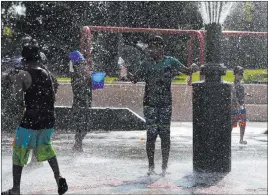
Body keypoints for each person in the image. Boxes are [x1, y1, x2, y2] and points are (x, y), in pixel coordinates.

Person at [128, 35, 199, 177]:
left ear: (161, 47)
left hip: (165, 104)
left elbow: (186, 71)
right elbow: (135, 79)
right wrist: (128, 74)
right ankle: (151, 166)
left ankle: (165, 167)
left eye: (153, 46)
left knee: (165, 135)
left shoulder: (170, 61)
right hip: (149, 105)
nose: (150, 49)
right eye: (149, 47)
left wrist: (193, 67)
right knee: (151, 135)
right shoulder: (146, 63)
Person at [1, 44, 68, 195]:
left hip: (31, 120)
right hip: (49, 119)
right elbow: (52, 96)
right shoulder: (47, 73)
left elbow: (18, 101)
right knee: (46, 146)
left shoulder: (23, 75)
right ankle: (59, 177)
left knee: (19, 149)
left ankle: (16, 189)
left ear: (24, 59)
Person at [69, 50, 92, 152]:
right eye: (82, 64)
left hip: (86, 104)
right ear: (76, 66)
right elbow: (78, 88)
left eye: (84, 64)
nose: (85, 67)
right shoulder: (75, 77)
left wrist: (92, 80)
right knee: (80, 126)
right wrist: (87, 79)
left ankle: (78, 145)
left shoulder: (84, 76)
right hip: (79, 105)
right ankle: (78, 146)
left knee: (86, 127)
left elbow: (89, 87)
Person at [231, 66, 248, 144]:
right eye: (239, 74)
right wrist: (237, 104)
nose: (240, 76)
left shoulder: (240, 85)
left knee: (242, 123)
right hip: (235, 106)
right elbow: (233, 95)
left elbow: (240, 94)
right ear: (235, 74)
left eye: (241, 74)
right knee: (231, 123)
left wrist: (246, 94)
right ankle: (227, 138)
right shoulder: (233, 85)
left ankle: (241, 139)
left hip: (241, 105)